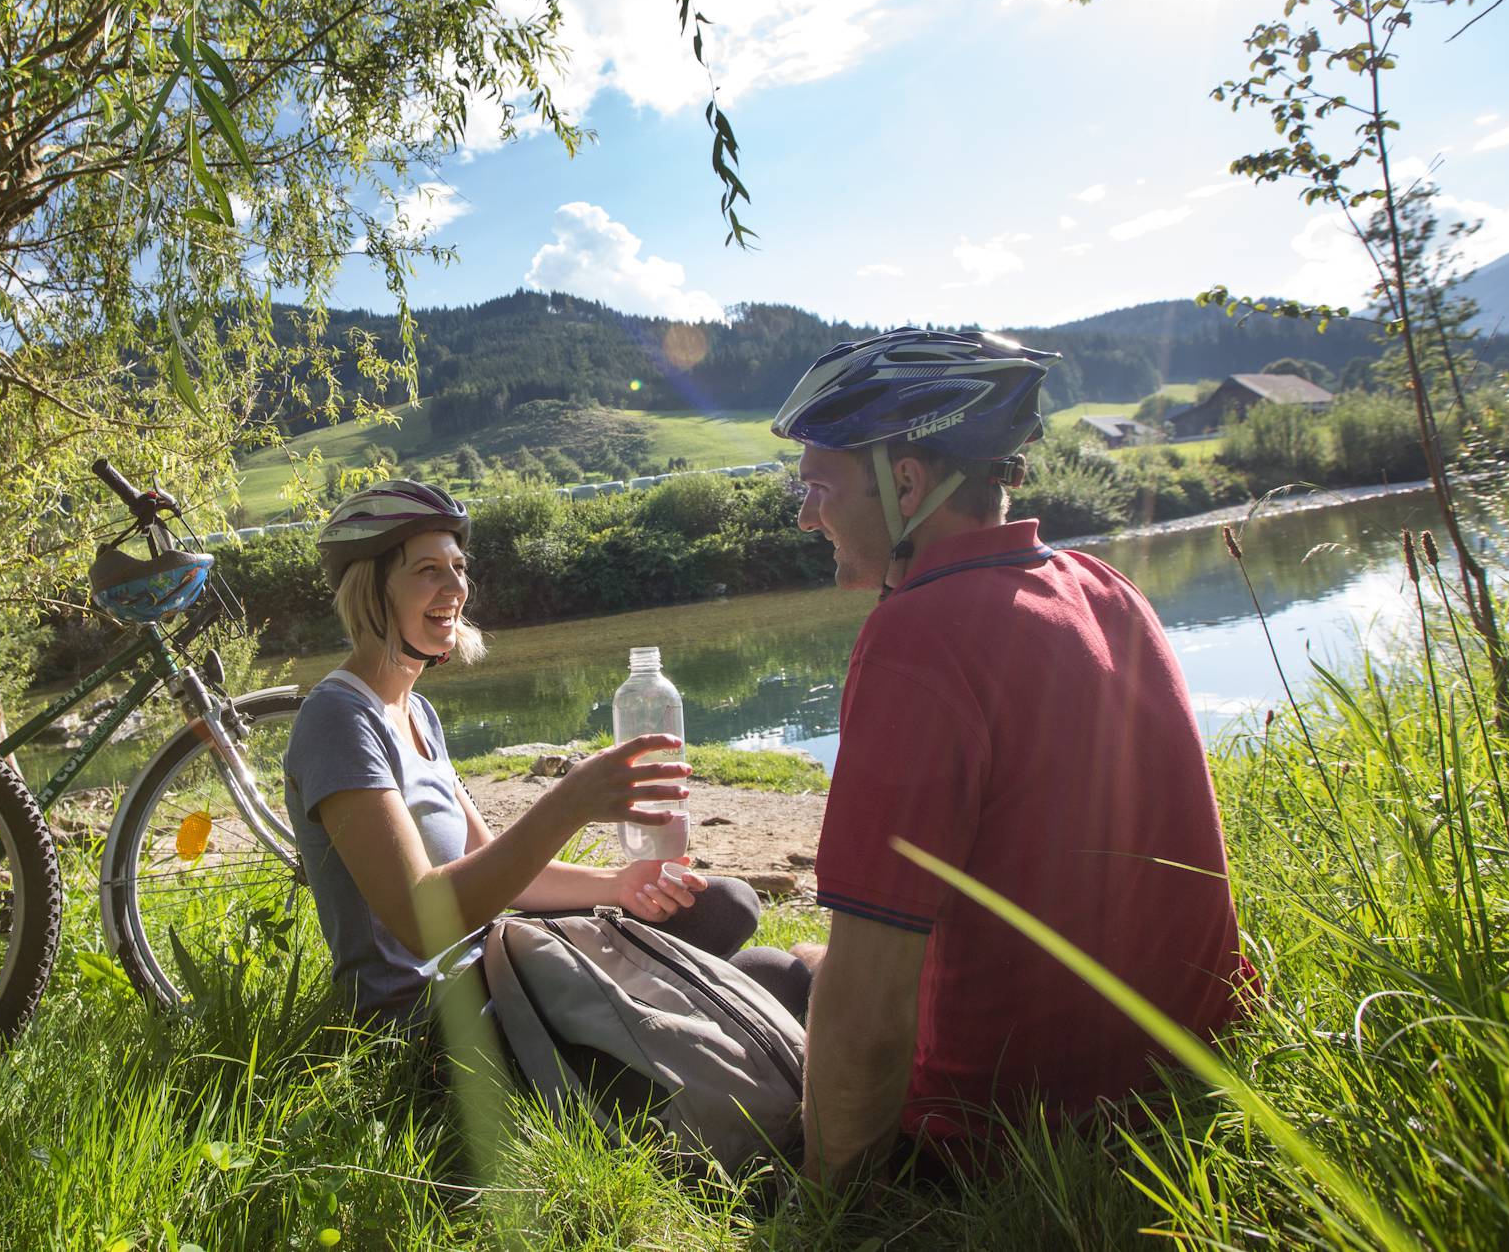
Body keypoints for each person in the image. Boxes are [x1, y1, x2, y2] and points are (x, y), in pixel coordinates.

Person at [771, 330, 1249, 1183]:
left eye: (818, 485)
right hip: (1192, 1069)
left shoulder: (916, 635)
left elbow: (873, 1012)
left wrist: (825, 1211)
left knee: (760, 973)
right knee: (812, 959)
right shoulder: (1101, 586)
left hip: (1005, 1132)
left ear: (907, 482)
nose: (806, 515)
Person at [282, 478, 805, 1022]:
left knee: (727, 907)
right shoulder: (338, 720)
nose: (455, 588)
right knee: (770, 978)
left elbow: (507, 873)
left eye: (458, 567)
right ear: (373, 588)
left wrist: (620, 885)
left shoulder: (418, 713)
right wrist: (568, 805)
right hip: (432, 1019)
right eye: (427, 570)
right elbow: (419, 922)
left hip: (499, 965)